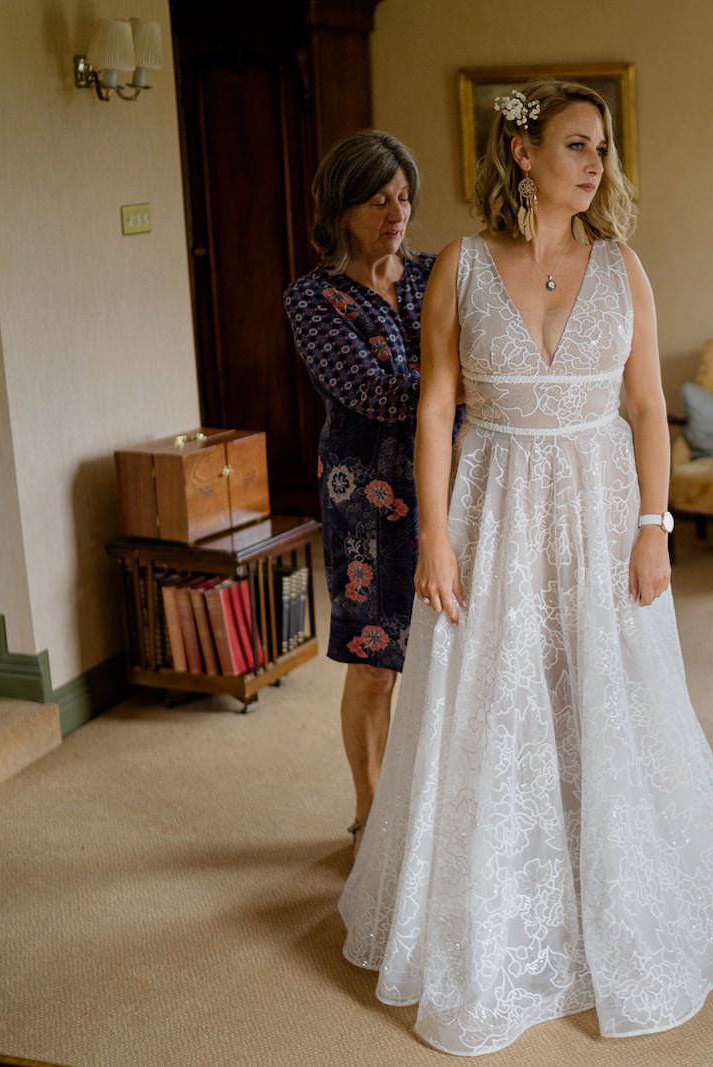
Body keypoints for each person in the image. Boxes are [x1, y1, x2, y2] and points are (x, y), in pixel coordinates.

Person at [338, 80, 713, 1056]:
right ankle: (497, 904)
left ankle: (612, 887)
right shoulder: (457, 263)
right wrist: (437, 540)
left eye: (603, 150)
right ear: (522, 155)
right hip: (491, 503)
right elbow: (434, 406)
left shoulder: (624, 268)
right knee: (498, 694)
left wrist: (655, 523)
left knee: (602, 689)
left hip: (598, 502)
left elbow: (643, 409)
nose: (595, 165)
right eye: (577, 145)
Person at [282, 131, 432, 854]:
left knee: (443, 658)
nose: (395, 212)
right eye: (378, 199)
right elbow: (371, 395)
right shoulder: (313, 300)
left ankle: (432, 809)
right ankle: (370, 814)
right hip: (364, 495)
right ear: (340, 208)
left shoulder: (438, 276)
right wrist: (459, 386)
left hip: (449, 485)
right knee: (375, 663)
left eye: (403, 197)